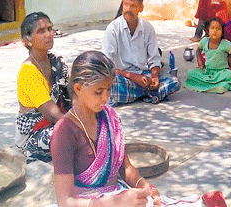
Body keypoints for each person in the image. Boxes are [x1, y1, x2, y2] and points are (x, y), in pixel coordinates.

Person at [50, 50, 161, 207]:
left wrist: (145, 186)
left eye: (108, 90)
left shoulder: (109, 119)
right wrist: (114, 202)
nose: (105, 97)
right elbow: (65, 201)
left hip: (116, 196)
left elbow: (126, 168)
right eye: (98, 91)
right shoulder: (64, 131)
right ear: (78, 89)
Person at [102, 0, 180, 105]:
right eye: (126, 4)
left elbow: (154, 58)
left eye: (133, 6)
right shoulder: (113, 29)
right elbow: (107, 66)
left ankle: (140, 93)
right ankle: (150, 94)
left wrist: (155, 78)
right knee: (112, 85)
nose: (128, 9)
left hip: (144, 76)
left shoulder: (147, 28)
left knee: (174, 82)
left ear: (141, 8)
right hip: (122, 76)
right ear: (123, 4)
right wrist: (132, 77)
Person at [15, 12, 71, 163]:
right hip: (33, 136)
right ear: (27, 40)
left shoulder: (56, 62)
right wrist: (81, 126)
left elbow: (72, 94)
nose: (48, 34)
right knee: (69, 134)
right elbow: (52, 115)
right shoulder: (28, 71)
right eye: (41, 31)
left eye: (50, 29)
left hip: (54, 124)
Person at [184, 18, 231, 94]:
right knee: (190, 73)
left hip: (221, 73)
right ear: (208, 31)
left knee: (230, 76)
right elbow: (198, 50)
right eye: (212, 28)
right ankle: (214, 86)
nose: (215, 31)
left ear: (222, 32)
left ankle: (216, 86)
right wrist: (200, 62)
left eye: (218, 29)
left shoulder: (226, 44)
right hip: (207, 72)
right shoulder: (204, 41)